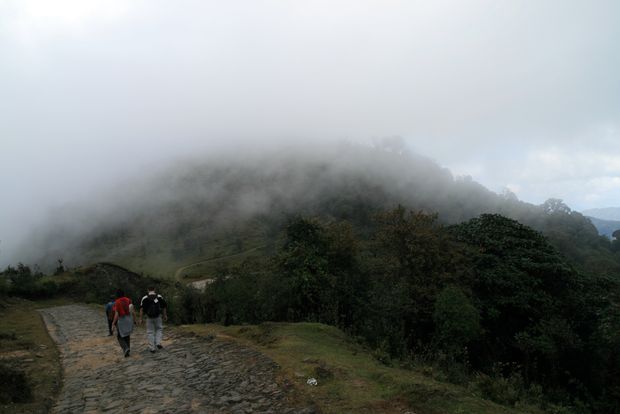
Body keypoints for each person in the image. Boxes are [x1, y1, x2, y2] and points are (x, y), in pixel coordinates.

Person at [139, 287, 168, 353]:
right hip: (158, 317)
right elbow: (164, 306)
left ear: (148, 290)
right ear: (154, 289)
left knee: (150, 332)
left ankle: (152, 348)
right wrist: (165, 315)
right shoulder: (159, 296)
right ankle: (158, 342)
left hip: (149, 318)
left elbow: (141, 309)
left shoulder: (144, 298)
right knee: (159, 329)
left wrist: (141, 318)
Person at [111, 288, 136, 357]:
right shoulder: (128, 300)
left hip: (122, 320)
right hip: (129, 319)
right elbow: (133, 310)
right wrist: (134, 320)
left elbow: (116, 314)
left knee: (120, 336)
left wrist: (113, 323)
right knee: (127, 335)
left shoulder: (117, 302)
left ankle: (125, 348)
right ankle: (127, 350)